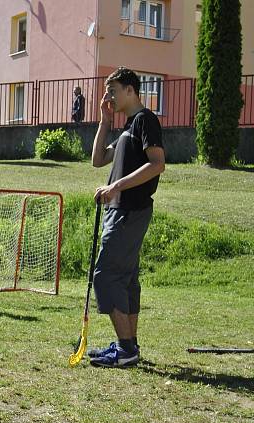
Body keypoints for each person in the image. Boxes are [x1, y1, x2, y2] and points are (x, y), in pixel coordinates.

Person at [88, 67, 165, 368]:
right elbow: (97, 160)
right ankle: (129, 346)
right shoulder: (127, 127)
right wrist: (105, 122)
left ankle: (125, 348)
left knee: (105, 276)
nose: (109, 96)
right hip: (118, 211)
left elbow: (157, 164)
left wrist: (116, 186)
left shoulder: (145, 120)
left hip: (130, 211)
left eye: (114, 90)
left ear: (131, 90)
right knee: (127, 280)